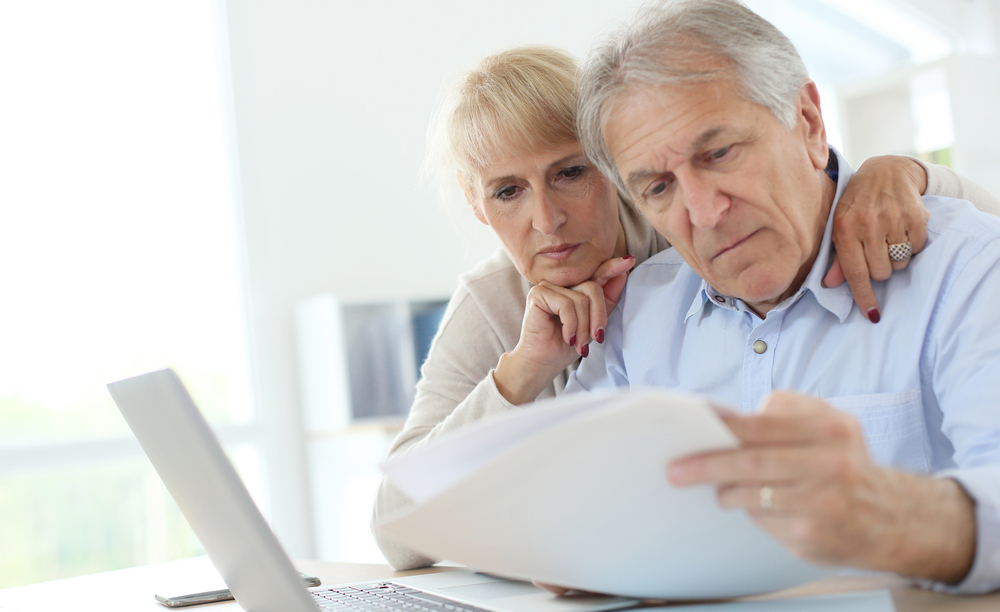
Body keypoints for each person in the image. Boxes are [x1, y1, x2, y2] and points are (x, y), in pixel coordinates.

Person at [372, 45, 1000, 571]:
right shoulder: (496, 300)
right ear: (478, 205)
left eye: (570, 172)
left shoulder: (692, 246)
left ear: (614, 170)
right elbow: (399, 527)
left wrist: (901, 173)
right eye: (508, 191)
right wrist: (522, 370)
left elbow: (968, 237)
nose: (546, 218)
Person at [567, 0, 1000, 593]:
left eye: (718, 153)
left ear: (809, 122)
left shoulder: (968, 269)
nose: (704, 213)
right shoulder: (638, 309)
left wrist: (890, 515)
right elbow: (566, 499)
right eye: (659, 187)